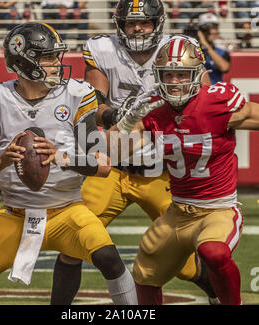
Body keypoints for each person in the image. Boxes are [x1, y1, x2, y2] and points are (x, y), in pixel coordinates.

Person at [50, 0, 218, 305]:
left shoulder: (180, 49)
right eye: (130, 23)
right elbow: (94, 103)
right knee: (73, 242)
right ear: (120, 25)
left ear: (158, 24)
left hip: (159, 170)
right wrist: (117, 115)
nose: (137, 28)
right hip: (112, 168)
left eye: (144, 23)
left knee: (183, 261)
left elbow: (204, 101)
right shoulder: (103, 50)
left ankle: (221, 296)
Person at [0, 22, 138, 305]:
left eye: (57, 56)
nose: (58, 64)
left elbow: (102, 165)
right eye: (48, 57)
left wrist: (62, 158)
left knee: (110, 260)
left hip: (69, 211)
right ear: (24, 61)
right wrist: (1, 160)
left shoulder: (76, 94)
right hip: (15, 216)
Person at [107, 37, 259, 305]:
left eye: (182, 74)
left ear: (197, 75)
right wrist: (128, 119)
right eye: (168, 74)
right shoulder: (154, 109)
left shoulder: (216, 103)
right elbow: (114, 152)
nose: (175, 81)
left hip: (218, 210)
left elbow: (253, 116)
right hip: (177, 212)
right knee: (145, 271)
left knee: (213, 252)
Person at [198, 13, 231, 84]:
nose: (212, 31)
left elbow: (224, 68)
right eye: (208, 28)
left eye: (214, 27)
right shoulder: (192, 50)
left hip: (214, 91)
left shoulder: (221, 51)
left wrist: (206, 45)